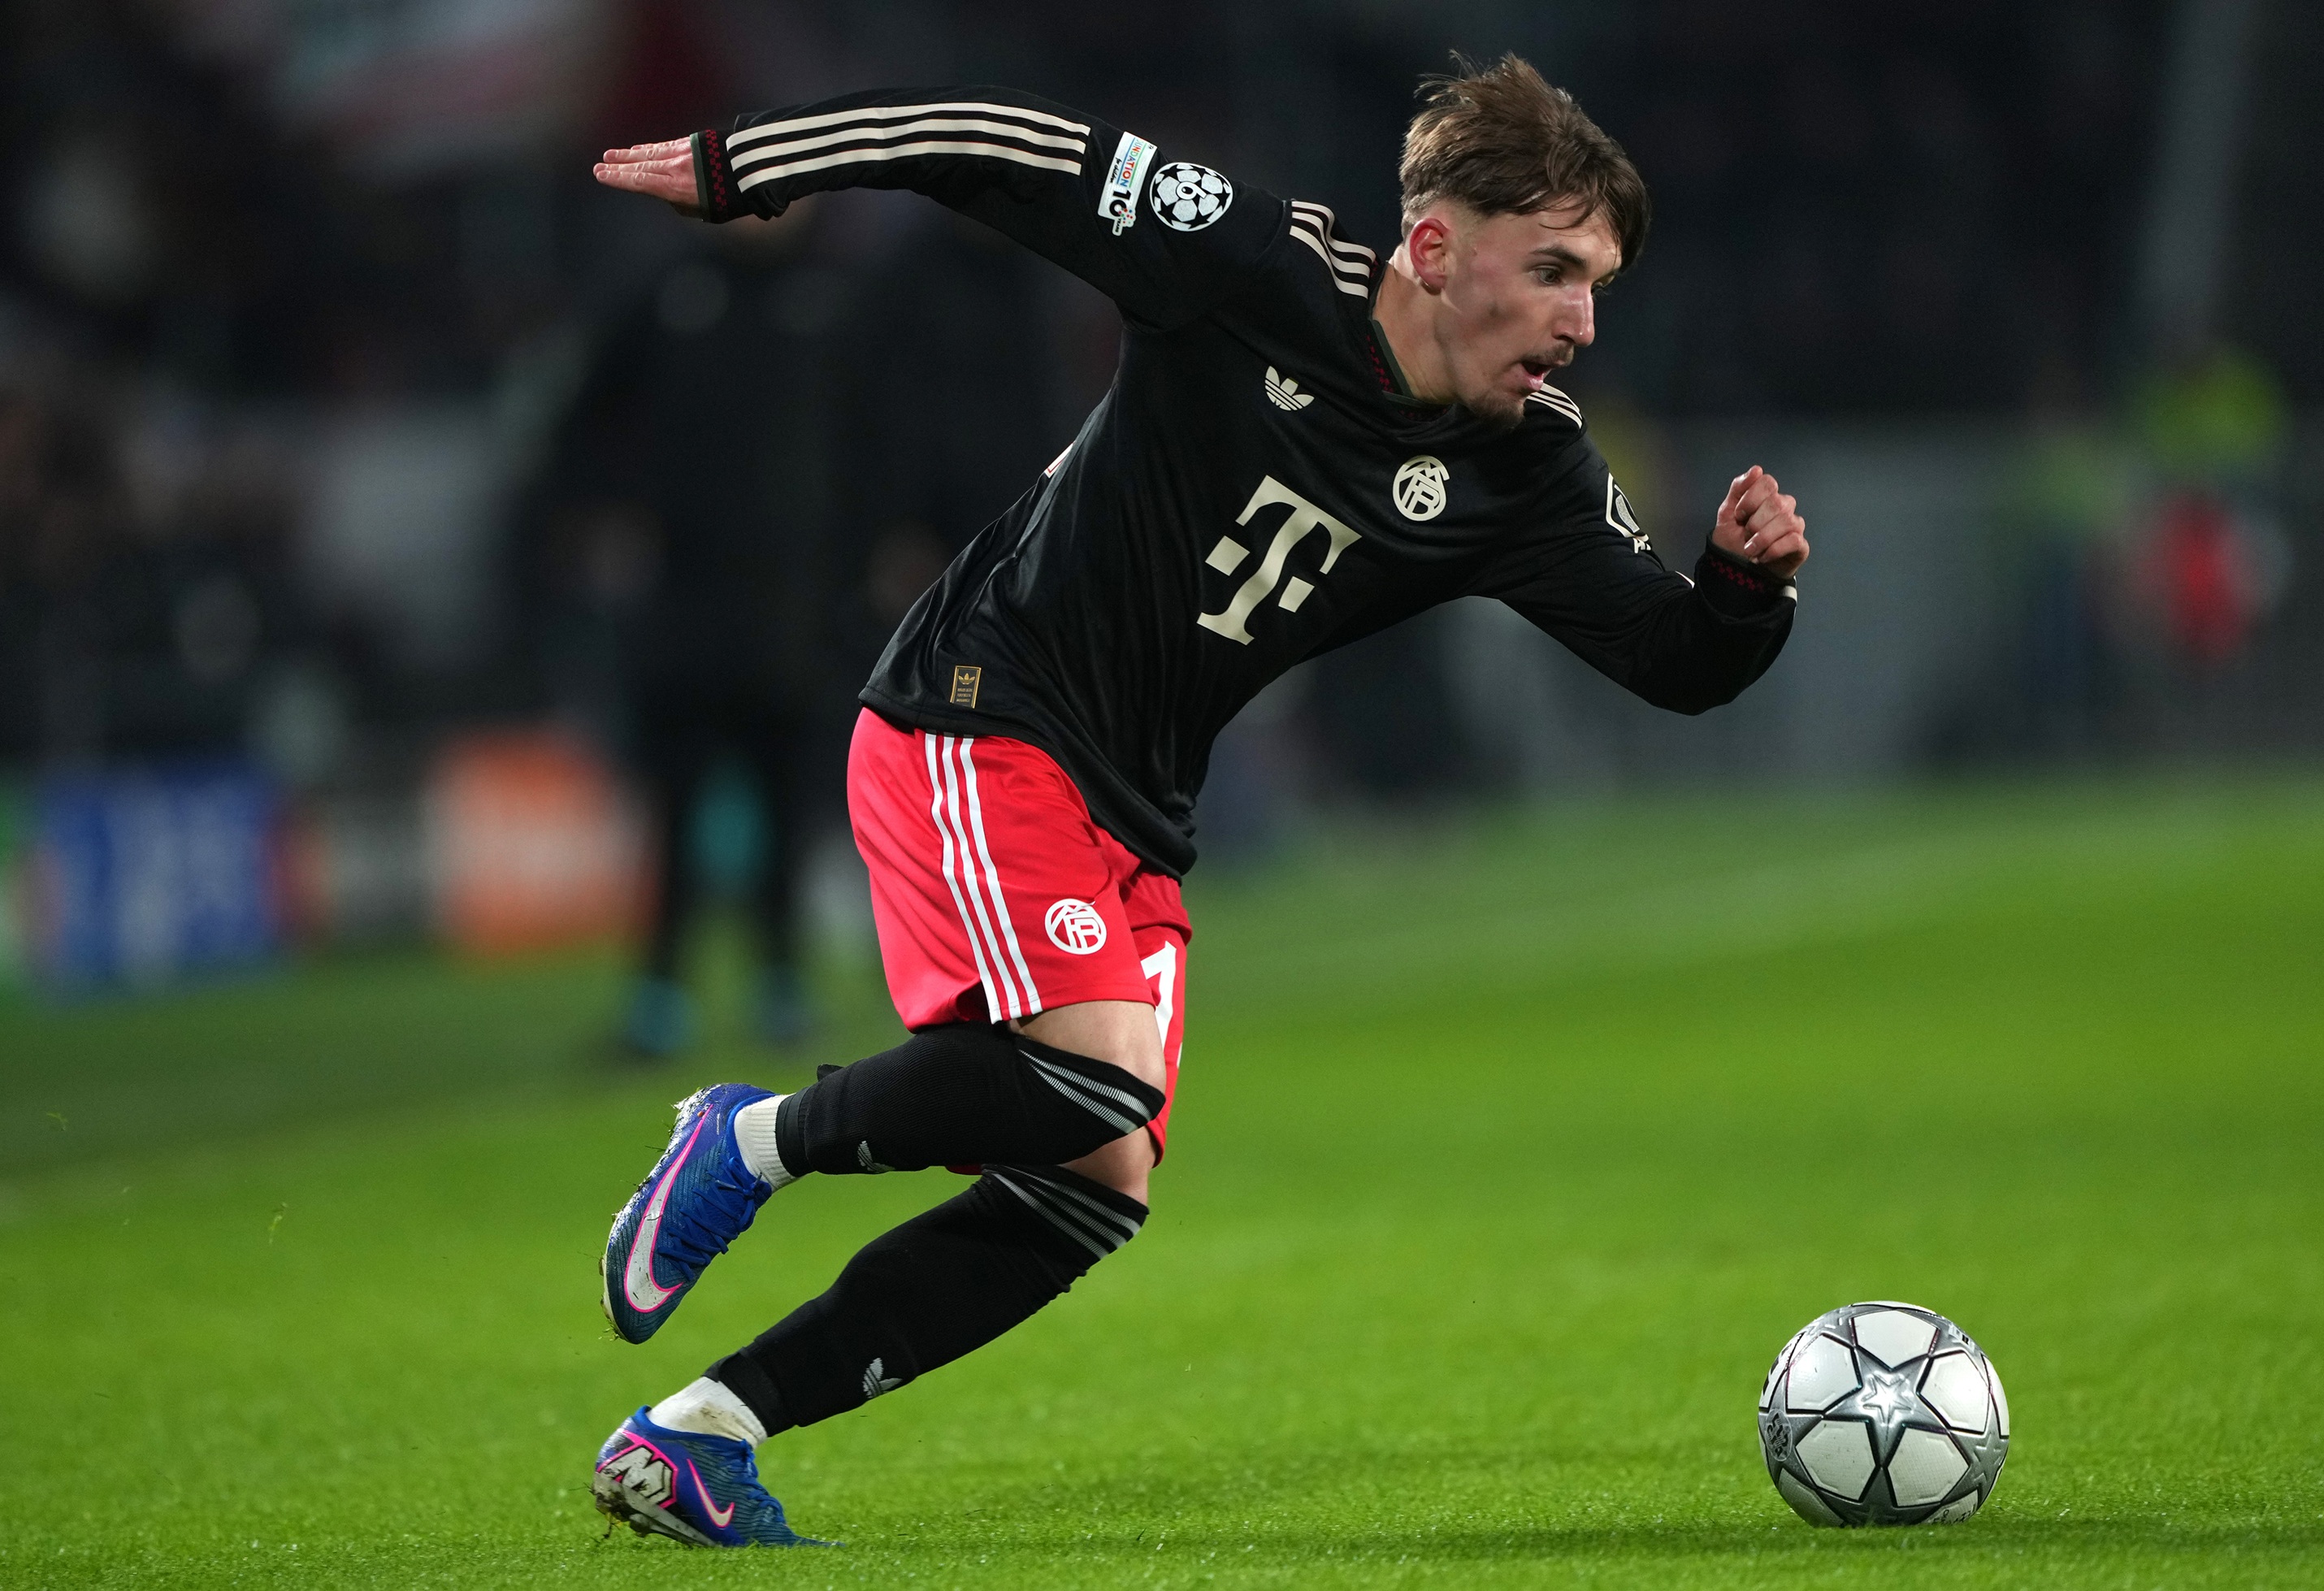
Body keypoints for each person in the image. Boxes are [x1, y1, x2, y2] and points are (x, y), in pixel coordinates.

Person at [583, 56, 1809, 1548]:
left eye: (1599, 282)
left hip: (1137, 800)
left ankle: (699, 1436)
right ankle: (750, 1137)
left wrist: (1744, 590)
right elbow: (993, 140)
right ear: (1433, 248)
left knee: (1092, 1185)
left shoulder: (1527, 470)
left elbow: (1676, 660)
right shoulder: (1247, 263)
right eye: (1553, 269)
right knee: (1089, 1086)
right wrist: (753, 163)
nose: (1581, 319)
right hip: (982, 708)